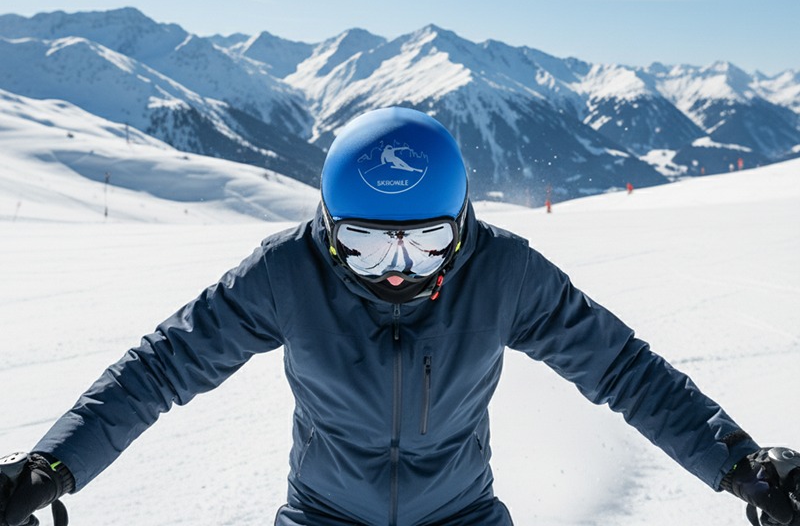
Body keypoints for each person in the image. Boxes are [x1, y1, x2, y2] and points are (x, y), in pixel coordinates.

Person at [1, 107, 798, 526]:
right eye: (362, 243)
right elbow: (163, 366)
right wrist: (53, 464)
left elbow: (623, 370)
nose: (392, 270)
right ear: (326, 226)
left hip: (463, 516)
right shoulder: (287, 272)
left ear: (461, 224)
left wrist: (739, 464)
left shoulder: (503, 273)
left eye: (424, 245)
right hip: (320, 517)